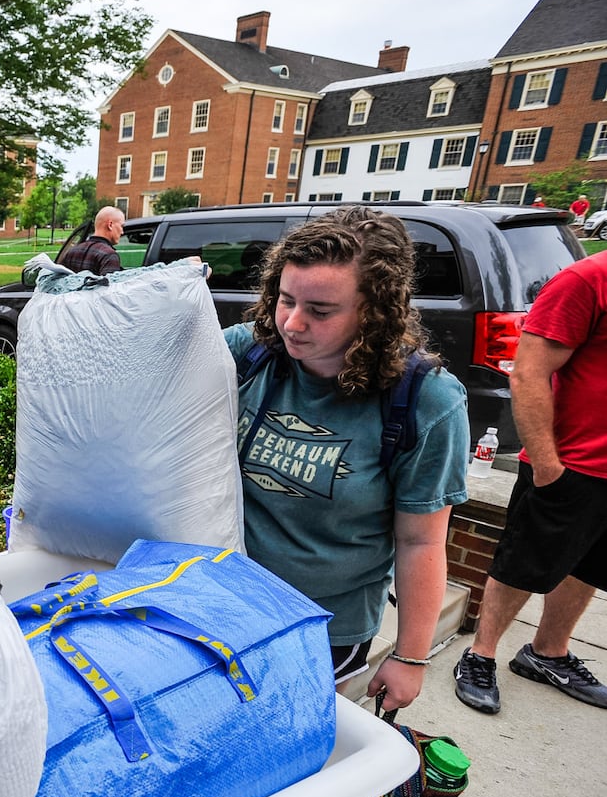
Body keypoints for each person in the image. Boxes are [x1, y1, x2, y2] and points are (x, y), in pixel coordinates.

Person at [224, 206, 470, 709]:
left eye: (320, 310)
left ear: (373, 311)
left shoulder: (427, 403)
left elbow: (421, 540)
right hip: (225, 597)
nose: (292, 323)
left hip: (323, 625)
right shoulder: (252, 352)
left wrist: (410, 656)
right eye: (285, 300)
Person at [454, 253, 607, 713]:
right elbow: (528, 373)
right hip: (572, 464)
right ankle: (480, 654)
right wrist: (547, 466)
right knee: (522, 563)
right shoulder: (587, 280)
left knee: (588, 565)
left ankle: (547, 653)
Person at [58, 205, 126, 276]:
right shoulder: (109, 256)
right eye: (122, 226)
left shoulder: (72, 251)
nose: (122, 232)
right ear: (110, 225)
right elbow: (109, 286)